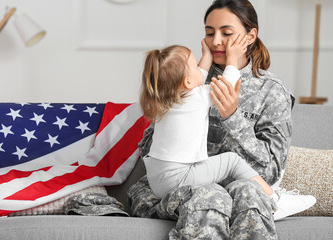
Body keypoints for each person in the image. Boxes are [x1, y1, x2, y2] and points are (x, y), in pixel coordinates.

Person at [132, 0, 316, 239]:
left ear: (250, 36)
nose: (216, 41)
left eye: (226, 33)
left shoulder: (272, 92)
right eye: (209, 33)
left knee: (243, 195)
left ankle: (268, 201)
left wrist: (233, 117)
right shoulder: (185, 80)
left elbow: (270, 171)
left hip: (238, 190)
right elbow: (149, 150)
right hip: (179, 191)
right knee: (210, 197)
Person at [140, 36, 286, 213]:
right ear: (187, 82)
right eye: (195, 65)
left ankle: (271, 197)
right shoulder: (198, 98)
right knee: (232, 161)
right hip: (178, 179)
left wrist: (206, 55)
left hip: (156, 178)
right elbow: (227, 84)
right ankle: (275, 200)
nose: (200, 69)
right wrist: (233, 56)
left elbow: (197, 76)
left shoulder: (165, 100)